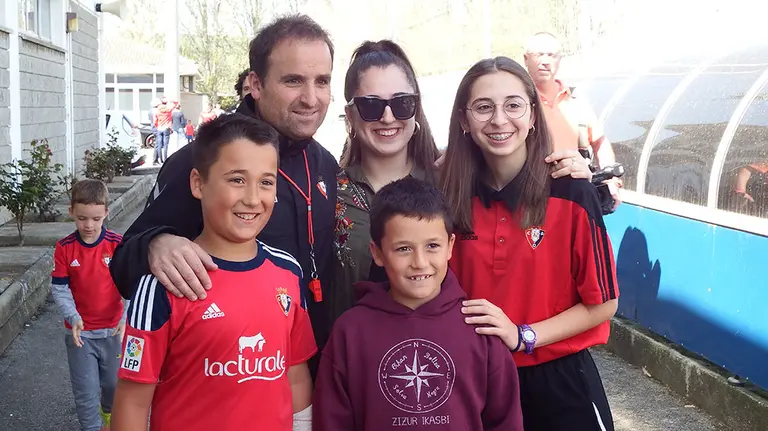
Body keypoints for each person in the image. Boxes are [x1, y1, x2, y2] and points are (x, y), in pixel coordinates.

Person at [109, 14, 338, 371]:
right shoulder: (205, 159)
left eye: (322, 81)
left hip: (307, 373)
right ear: (256, 84)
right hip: (225, 376)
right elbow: (124, 265)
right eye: (293, 80)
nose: (311, 98)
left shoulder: (325, 163)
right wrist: (156, 244)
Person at [440, 56, 619, 431]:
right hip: (476, 381)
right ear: (463, 120)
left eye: (513, 105)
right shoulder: (447, 197)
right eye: (483, 107)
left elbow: (603, 303)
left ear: (534, 115)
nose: (499, 120)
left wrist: (524, 336)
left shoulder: (572, 192)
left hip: (560, 383)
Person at [111, 115, 316, 431]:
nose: (252, 198)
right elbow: (133, 400)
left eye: (266, 182)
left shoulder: (289, 271)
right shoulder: (165, 282)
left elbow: (296, 373)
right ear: (198, 183)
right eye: (237, 180)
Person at [314, 177, 523, 431]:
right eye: (403, 249)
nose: (420, 263)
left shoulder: (480, 328)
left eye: (432, 246)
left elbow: (505, 421)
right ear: (377, 253)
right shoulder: (349, 332)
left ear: (450, 246)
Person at [330, 40, 440, 323]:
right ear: (350, 115)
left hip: (437, 346)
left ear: (416, 107)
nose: (388, 117)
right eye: (371, 106)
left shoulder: (448, 183)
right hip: (345, 347)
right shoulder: (327, 192)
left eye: (402, 103)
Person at [51, 179, 127, 431]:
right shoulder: (64, 248)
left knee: (114, 385)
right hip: (80, 335)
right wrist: (73, 317)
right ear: (71, 212)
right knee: (85, 391)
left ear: (106, 212)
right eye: (82, 218)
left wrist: (125, 317)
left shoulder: (117, 244)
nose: (89, 225)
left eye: (96, 218)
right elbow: (60, 288)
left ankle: (108, 414)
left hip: (113, 332)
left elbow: (132, 286)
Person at [523, 31, 621, 209]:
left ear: (559, 60)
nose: (545, 61)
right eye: (539, 54)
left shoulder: (576, 100)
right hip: (531, 197)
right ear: (526, 59)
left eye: (551, 55)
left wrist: (611, 181)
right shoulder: (517, 101)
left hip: (574, 197)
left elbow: (599, 143)